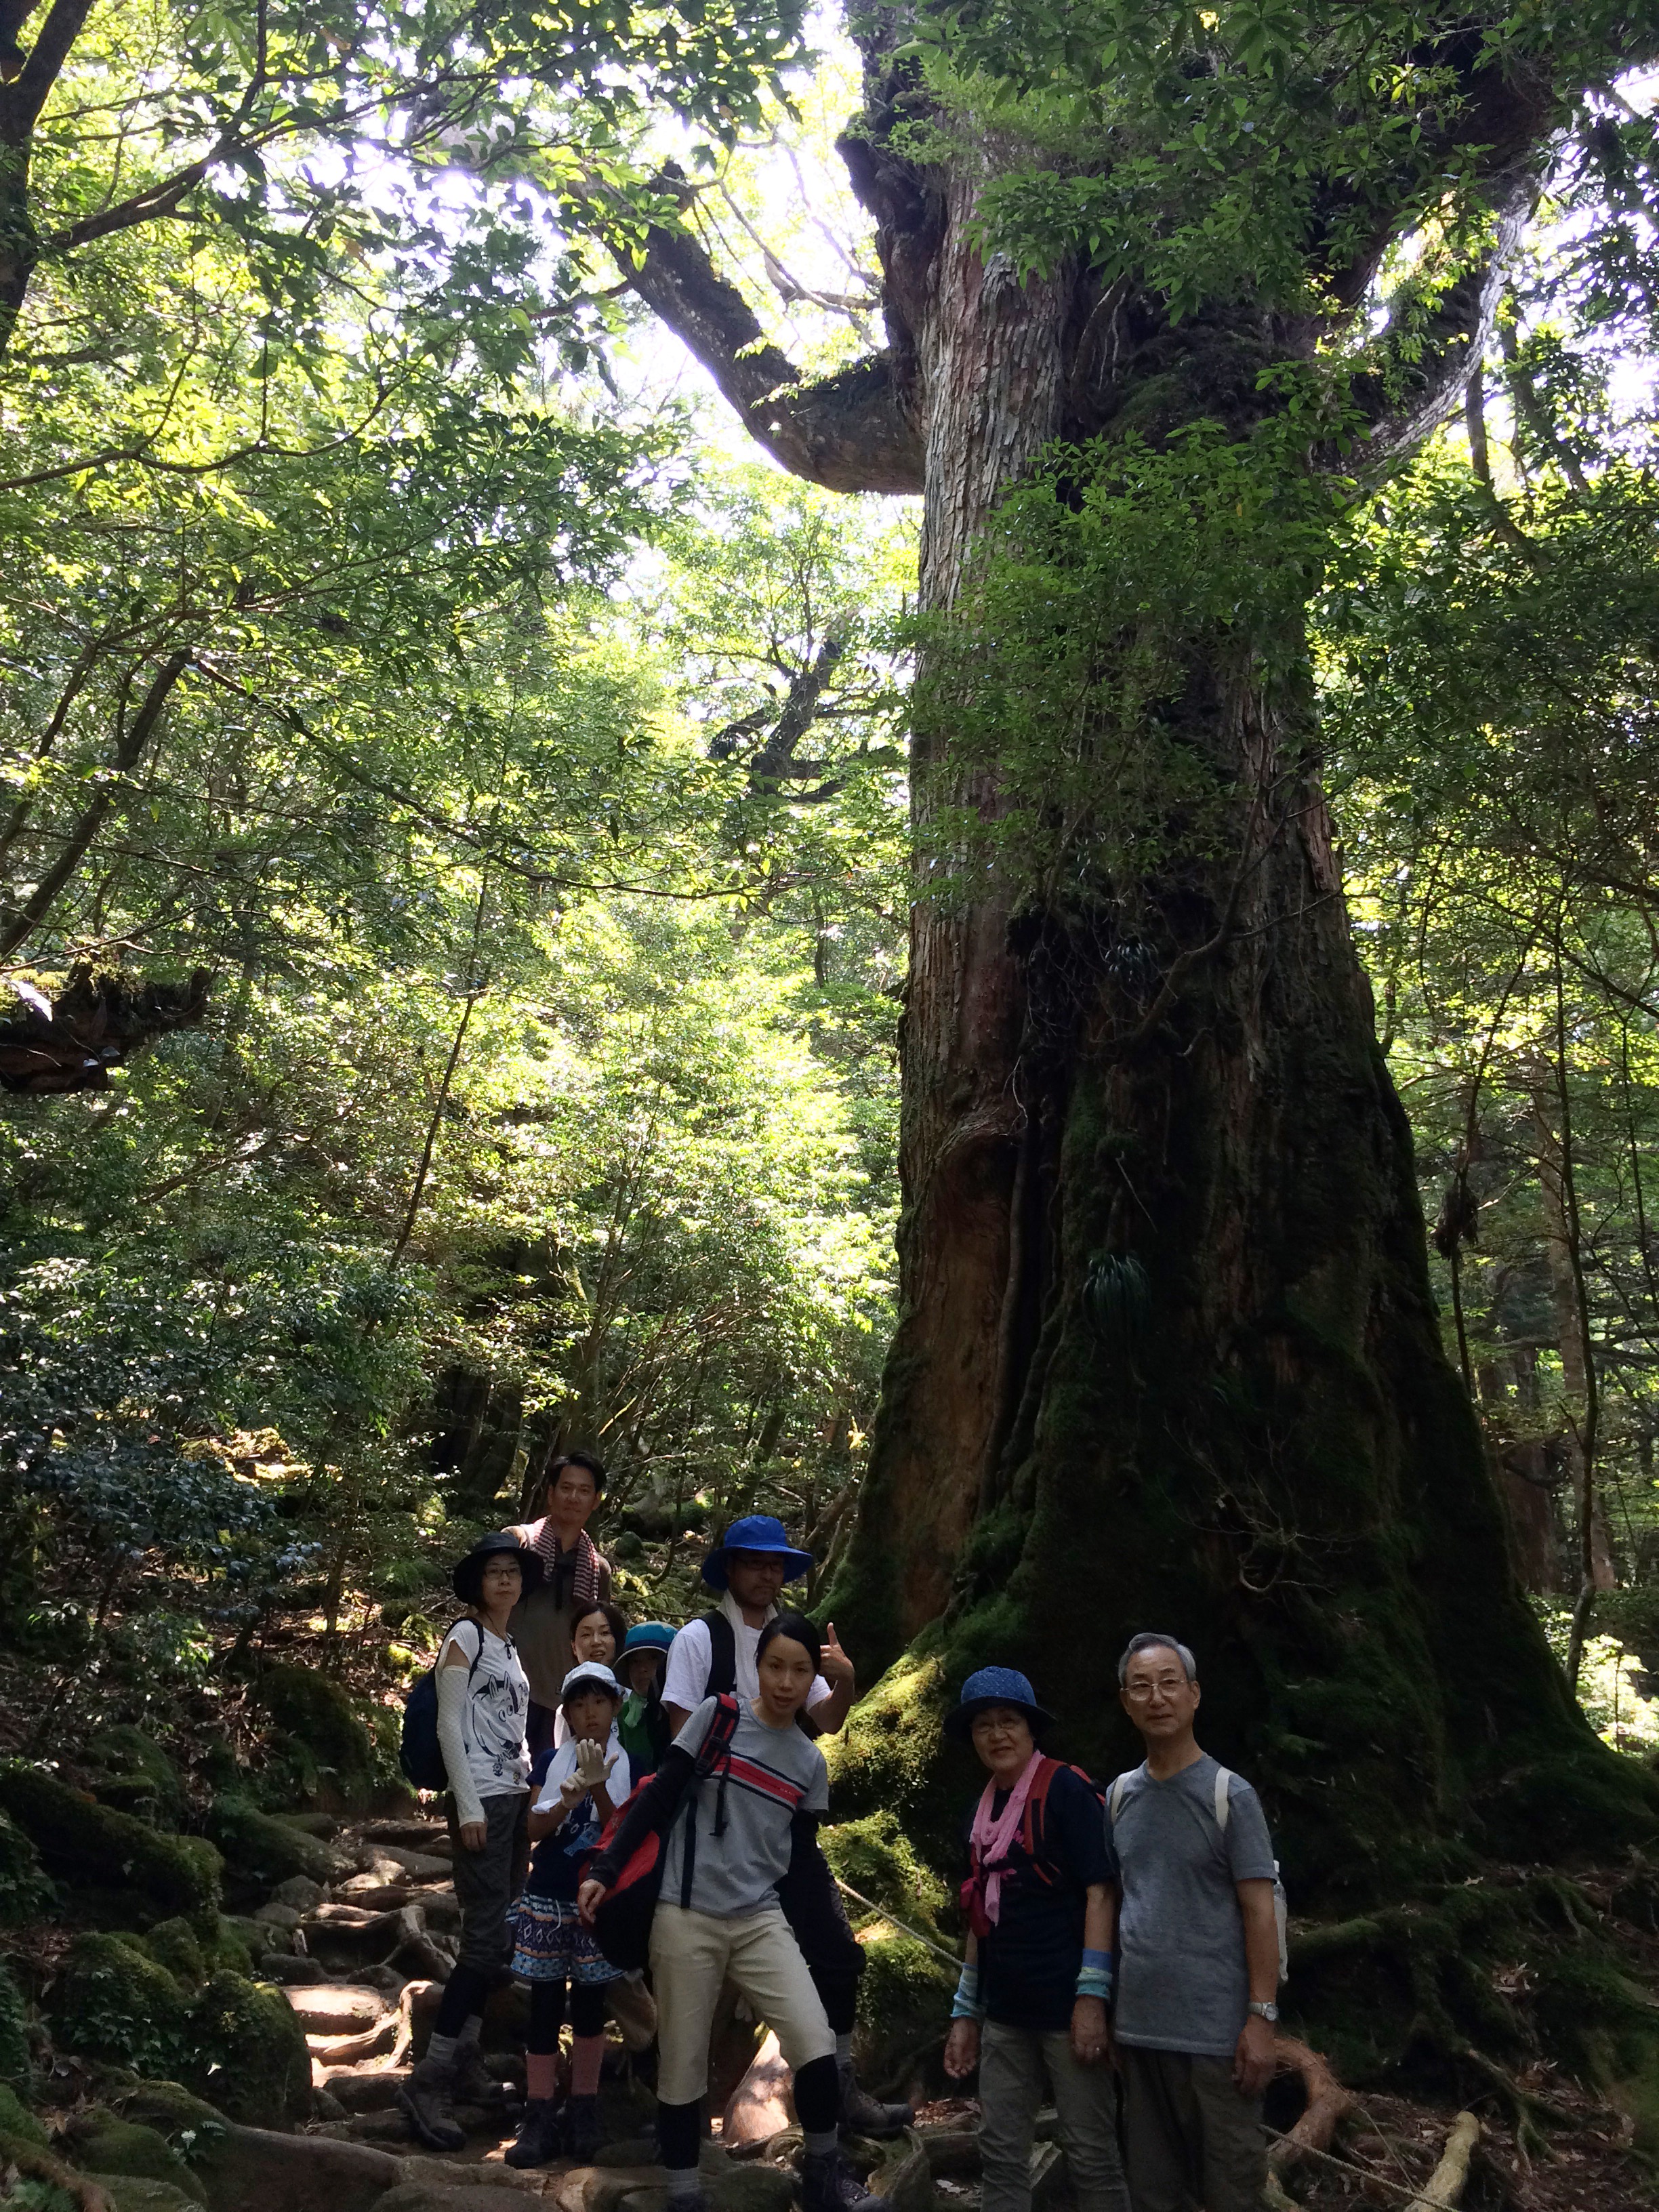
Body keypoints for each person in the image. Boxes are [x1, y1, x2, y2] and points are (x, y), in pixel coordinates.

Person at [579, 1613, 880, 2212]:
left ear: (812, 1678)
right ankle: (685, 2194)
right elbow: (661, 1795)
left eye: (800, 1670)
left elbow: (797, 1864)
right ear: (758, 1667)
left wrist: (826, 1943)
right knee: (683, 2068)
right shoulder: (719, 1717)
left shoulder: (808, 1764)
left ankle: (823, 2171)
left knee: (815, 2042)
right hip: (684, 1914)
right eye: (775, 1666)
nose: (787, 1682)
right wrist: (605, 1868)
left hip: (760, 1919)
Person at [660, 1515, 907, 2137]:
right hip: (709, 1837)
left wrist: (844, 1682)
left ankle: (837, 2087)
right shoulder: (700, 1639)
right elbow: (679, 1741)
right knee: (683, 1976)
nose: (767, 1575)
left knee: (837, 1955)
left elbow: (824, 1720)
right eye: (755, 1563)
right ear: (731, 1568)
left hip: (782, 1826)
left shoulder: (791, 1639)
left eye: (777, 1565)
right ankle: (667, 2108)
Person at [942, 1668, 1130, 2212]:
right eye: (984, 1725)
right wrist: (965, 2011)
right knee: (1000, 2150)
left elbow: (1101, 1893)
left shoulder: (1066, 1790)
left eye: (1009, 1721)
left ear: (1031, 1730)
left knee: (1091, 2152)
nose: (997, 1735)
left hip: (1067, 2011)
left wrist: (1092, 1999)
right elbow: (980, 1913)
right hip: (1004, 2014)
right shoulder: (980, 1813)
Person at [1109, 1634, 1280, 2212]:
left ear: (1194, 1694)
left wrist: (1261, 2018)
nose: (1157, 1698)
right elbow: (1116, 1903)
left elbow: (1260, 1911)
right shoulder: (1119, 1797)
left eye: (1169, 1683)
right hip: (1139, 2031)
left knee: (1231, 2190)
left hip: (1216, 2039)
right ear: (1126, 1701)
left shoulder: (1231, 1795)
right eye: (1141, 1686)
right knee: (1154, 2193)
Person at [398, 1532, 539, 2152]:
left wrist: (529, 1783)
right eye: (495, 1573)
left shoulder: (508, 1646)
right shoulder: (467, 1637)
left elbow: (509, 1724)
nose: (505, 1580)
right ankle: (429, 2078)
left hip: (512, 1796)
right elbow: (450, 1726)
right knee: (485, 1940)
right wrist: (469, 1802)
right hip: (480, 1800)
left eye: (513, 1571)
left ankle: (465, 2058)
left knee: (500, 1939)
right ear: (478, 1584)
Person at [506, 1660, 632, 2167]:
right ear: (568, 1714)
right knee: (541, 2006)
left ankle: (585, 2107)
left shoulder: (632, 1759)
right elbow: (533, 1831)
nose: (590, 1712)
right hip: (548, 1896)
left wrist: (598, 1787)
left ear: (615, 1705)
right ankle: (537, 2112)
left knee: (589, 2005)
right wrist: (566, 1798)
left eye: (599, 1701)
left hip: (597, 1902)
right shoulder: (549, 1760)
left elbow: (622, 1828)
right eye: (579, 1704)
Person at [508, 1450, 614, 1756]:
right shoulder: (519, 1544)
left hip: (562, 1703)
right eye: (566, 1488)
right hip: (502, 1690)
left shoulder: (597, 1570)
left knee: (546, 1794)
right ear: (551, 1494)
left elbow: (599, 1642)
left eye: (584, 1491)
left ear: (595, 1501)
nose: (574, 1497)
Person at [551, 1601, 631, 1748]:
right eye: (586, 1634)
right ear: (574, 1647)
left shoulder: (633, 1701)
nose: (596, 1641)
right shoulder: (568, 1711)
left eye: (605, 1633)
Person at [616, 1621, 676, 1776]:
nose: (642, 1668)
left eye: (654, 1658)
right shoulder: (625, 1712)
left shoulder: (681, 1708)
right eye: (635, 1661)